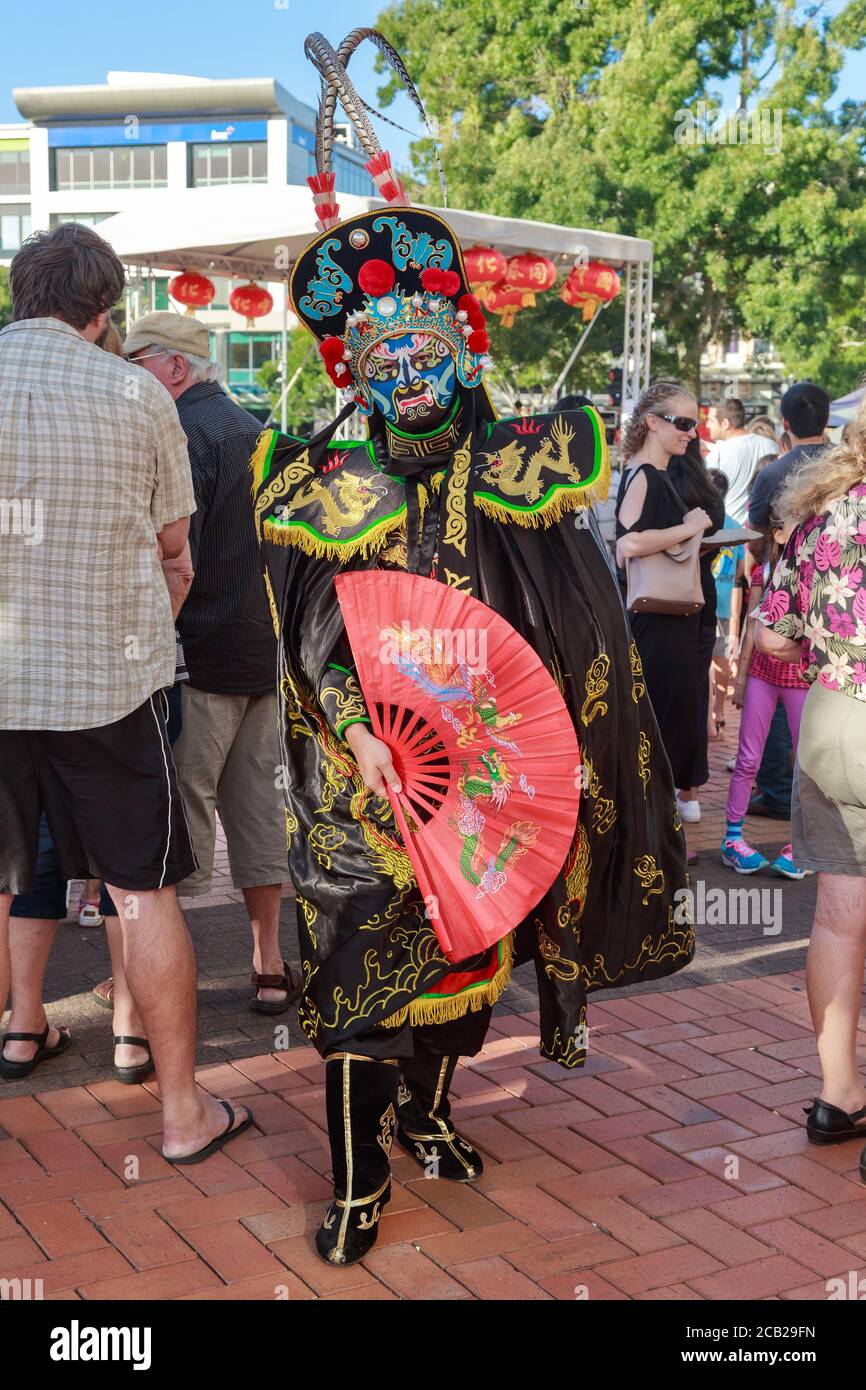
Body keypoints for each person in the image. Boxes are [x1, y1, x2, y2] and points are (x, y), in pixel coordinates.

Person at [251, 27, 692, 1267]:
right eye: (381, 354)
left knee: (465, 959)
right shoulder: (319, 481)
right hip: (363, 773)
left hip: (488, 772)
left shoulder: (517, 470)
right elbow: (310, 635)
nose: (407, 368)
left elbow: (569, 618)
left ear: (462, 346)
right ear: (353, 368)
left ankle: (430, 1109)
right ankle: (351, 1182)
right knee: (355, 969)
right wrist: (356, 735)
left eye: (425, 346)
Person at [0, 224, 250, 1161]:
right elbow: (174, 552)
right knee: (143, 894)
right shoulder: (138, 395)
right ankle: (182, 1115)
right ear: (105, 313)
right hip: (107, 679)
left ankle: (26, 1029)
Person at [123, 311, 295, 1013]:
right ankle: (268, 962)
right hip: (262, 649)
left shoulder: (184, 431)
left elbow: (174, 559)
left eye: (135, 364)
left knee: (178, 821)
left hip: (197, 655)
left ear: (173, 368)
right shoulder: (256, 429)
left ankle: (164, 983)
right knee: (259, 813)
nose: (129, 378)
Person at [755, 400, 866, 1169]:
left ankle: (839, 1097)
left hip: (833, 723)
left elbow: (771, 635)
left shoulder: (821, 515)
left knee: (836, 917)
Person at [615, 383, 716, 825]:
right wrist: (689, 526)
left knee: (664, 718)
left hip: (665, 617)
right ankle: (650, 825)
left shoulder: (649, 472)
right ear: (653, 423)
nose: (690, 433)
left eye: (694, 424)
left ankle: (654, 822)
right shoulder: (645, 475)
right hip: (657, 619)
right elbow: (629, 543)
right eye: (682, 423)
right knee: (657, 720)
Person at [747, 383, 830, 822]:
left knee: (782, 689)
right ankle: (812, 798)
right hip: (839, 597)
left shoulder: (774, 473)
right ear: (827, 417)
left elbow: (757, 534)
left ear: (784, 423)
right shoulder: (846, 469)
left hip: (786, 596)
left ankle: (780, 790)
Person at [721, 524, 810, 878]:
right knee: (747, 758)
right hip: (762, 674)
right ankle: (731, 840)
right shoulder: (764, 571)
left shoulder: (817, 570)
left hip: (800, 678)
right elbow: (749, 629)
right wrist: (740, 680)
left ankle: (801, 848)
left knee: (805, 764)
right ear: (778, 534)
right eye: (794, 523)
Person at [706, 469, 745, 739]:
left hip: (701, 601)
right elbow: (740, 575)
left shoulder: (702, 523)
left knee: (707, 661)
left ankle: (709, 714)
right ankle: (718, 711)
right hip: (723, 604)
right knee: (719, 660)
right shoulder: (735, 527)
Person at [706, 398, 777, 524]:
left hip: (728, 533)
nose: (707, 425)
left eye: (711, 420)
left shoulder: (718, 453)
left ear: (725, 423)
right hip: (762, 530)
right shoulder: (771, 445)